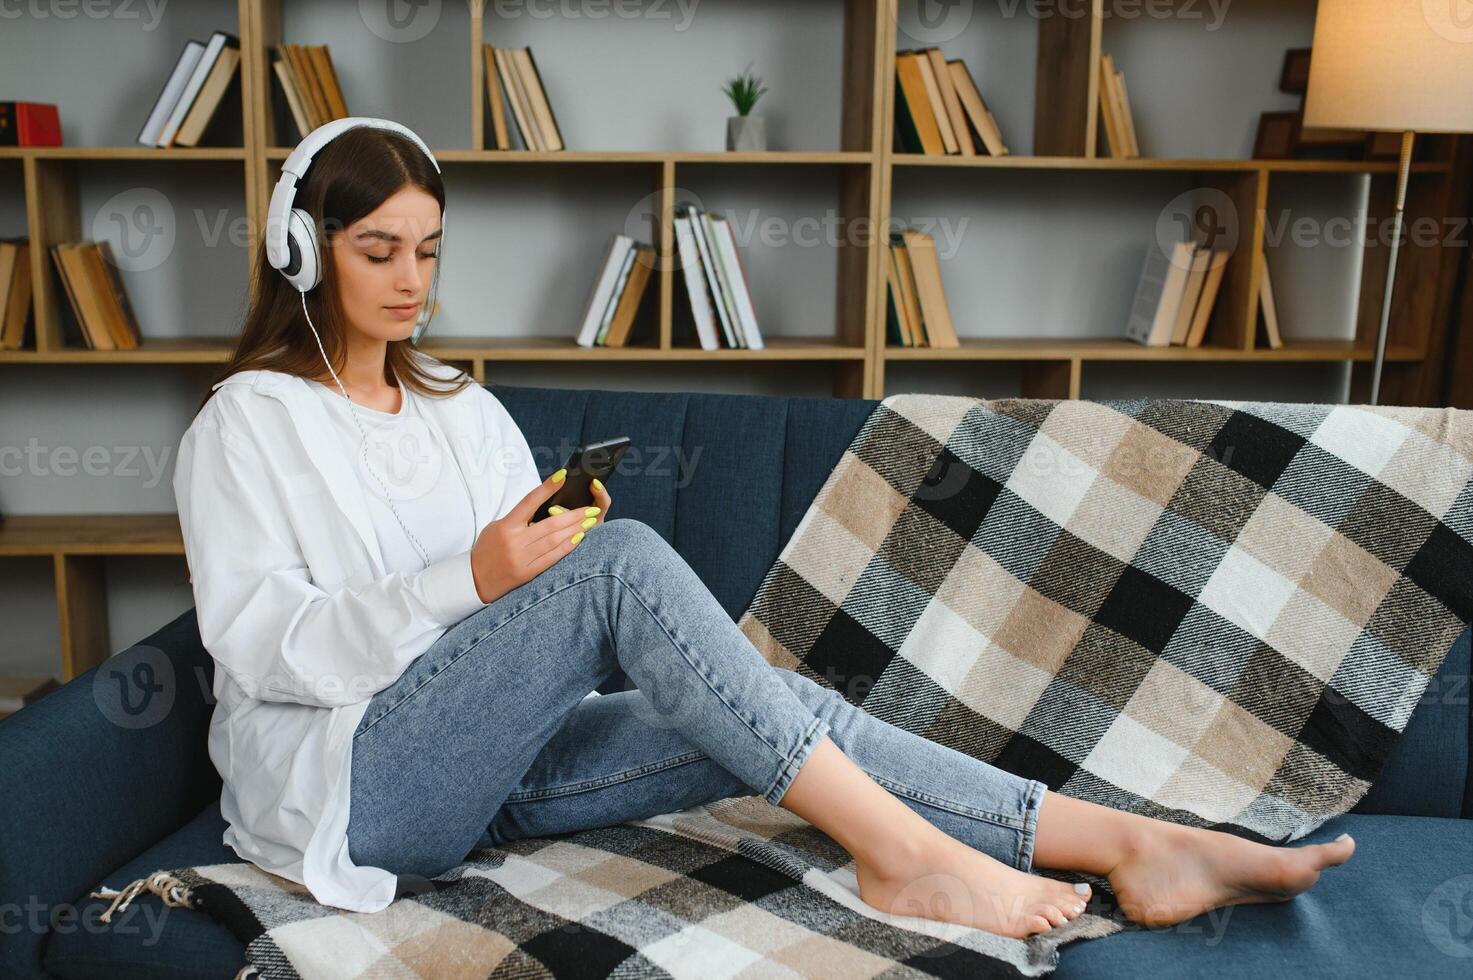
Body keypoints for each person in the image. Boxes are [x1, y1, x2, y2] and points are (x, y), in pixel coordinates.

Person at [173, 120, 1355, 940]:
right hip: (359, 789)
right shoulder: (247, 424)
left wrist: (535, 563)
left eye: (426, 250)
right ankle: (909, 857)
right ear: (300, 253)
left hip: (500, 761)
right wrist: (471, 578)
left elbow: (525, 613)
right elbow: (263, 648)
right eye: (376, 249)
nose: (409, 279)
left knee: (778, 708)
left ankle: (1129, 842)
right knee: (629, 564)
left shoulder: (461, 405)